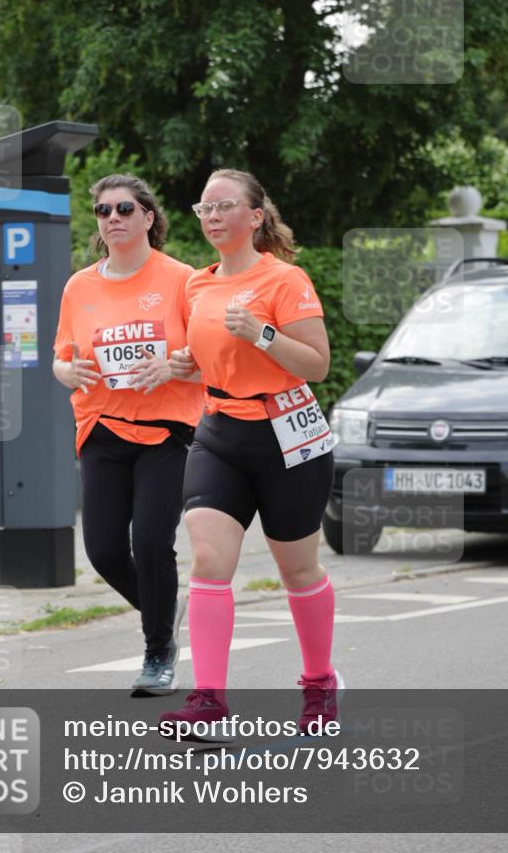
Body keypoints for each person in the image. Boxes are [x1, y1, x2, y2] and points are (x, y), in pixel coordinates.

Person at [158, 168, 343, 738]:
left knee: (298, 570)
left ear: (255, 216)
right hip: (219, 432)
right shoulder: (197, 284)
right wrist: (187, 362)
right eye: (204, 208)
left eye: (224, 206)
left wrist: (262, 333)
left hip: (287, 434)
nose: (212, 217)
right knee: (209, 562)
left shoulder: (284, 279)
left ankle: (319, 686)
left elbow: (316, 365)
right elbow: (203, 349)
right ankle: (208, 700)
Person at [52, 174, 203, 696]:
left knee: (153, 541)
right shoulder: (80, 286)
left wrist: (176, 367)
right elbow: (62, 357)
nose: (111, 218)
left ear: (148, 217)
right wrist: (65, 373)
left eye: (123, 208)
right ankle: (165, 607)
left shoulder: (183, 280)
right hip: (101, 428)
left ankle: (158, 652)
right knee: (103, 550)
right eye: (101, 211)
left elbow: (212, 358)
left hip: (167, 431)